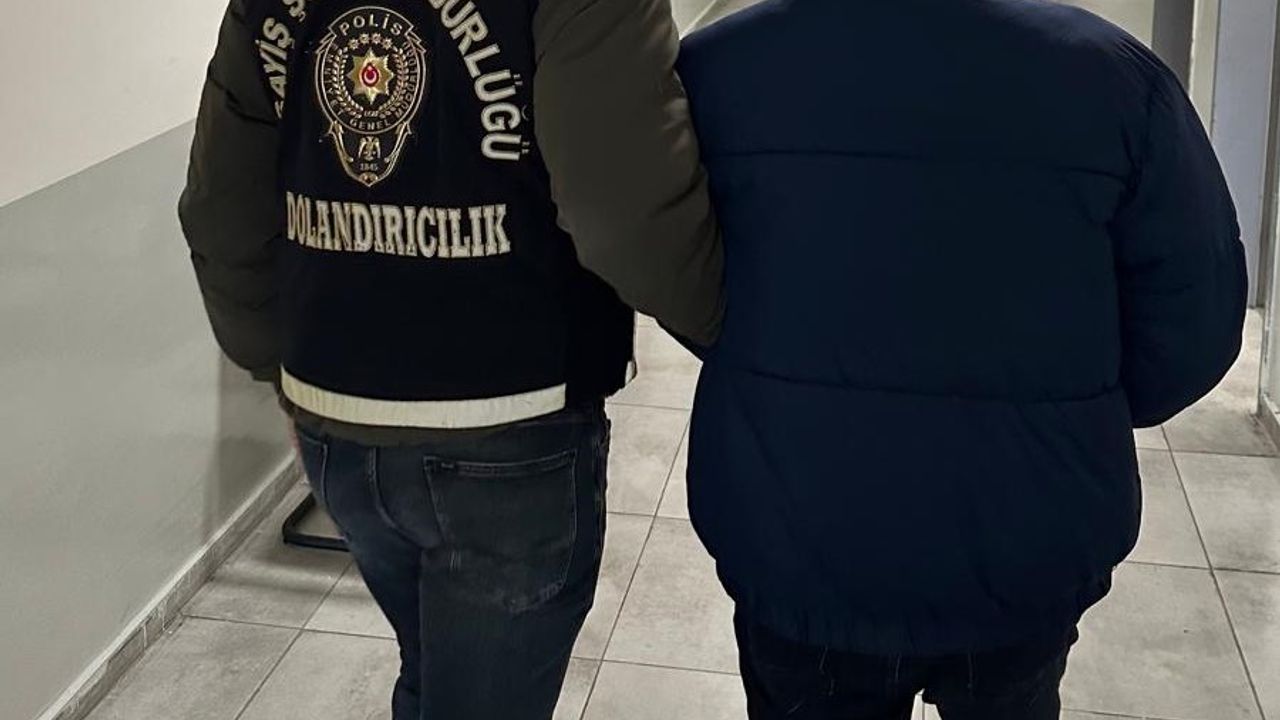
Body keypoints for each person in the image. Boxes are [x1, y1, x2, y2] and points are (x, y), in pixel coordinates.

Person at [677, 1, 1248, 718]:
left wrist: (758, 364)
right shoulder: (1116, 80)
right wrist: (1077, 410)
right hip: (1024, 536)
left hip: (800, 531)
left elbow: (672, 273)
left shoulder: (716, 69)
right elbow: (1196, 320)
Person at [178, 0, 723, 718]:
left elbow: (222, 210)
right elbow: (622, 209)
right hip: (510, 419)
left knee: (432, 670)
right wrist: (724, 328)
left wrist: (279, 371)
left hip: (338, 423)